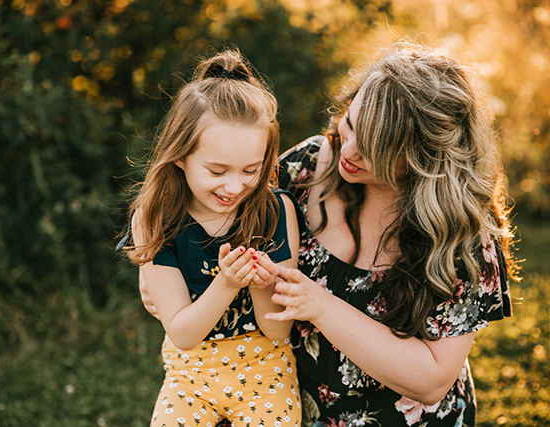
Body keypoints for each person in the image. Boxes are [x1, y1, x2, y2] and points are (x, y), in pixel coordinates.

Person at [265, 40, 517, 426]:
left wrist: (320, 306)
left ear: (422, 156)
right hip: (295, 410)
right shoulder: (307, 167)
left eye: (371, 149)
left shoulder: (463, 231)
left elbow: (432, 380)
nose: (347, 150)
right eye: (349, 125)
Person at [120, 50, 303, 427]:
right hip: (190, 377)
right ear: (180, 156)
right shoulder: (155, 218)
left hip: (265, 372)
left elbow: (279, 329)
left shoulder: (275, 211)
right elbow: (183, 333)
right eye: (217, 170)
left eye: (251, 170)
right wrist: (227, 283)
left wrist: (261, 285)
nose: (235, 186)